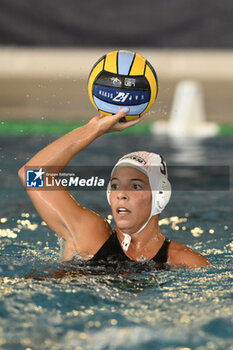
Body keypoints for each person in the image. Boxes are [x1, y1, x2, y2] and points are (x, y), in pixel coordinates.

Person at [18, 108, 212, 270]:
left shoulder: (184, 261)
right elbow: (32, 176)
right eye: (115, 186)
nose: (121, 195)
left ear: (160, 196)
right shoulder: (90, 236)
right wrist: (94, 129)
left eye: (135, 186)